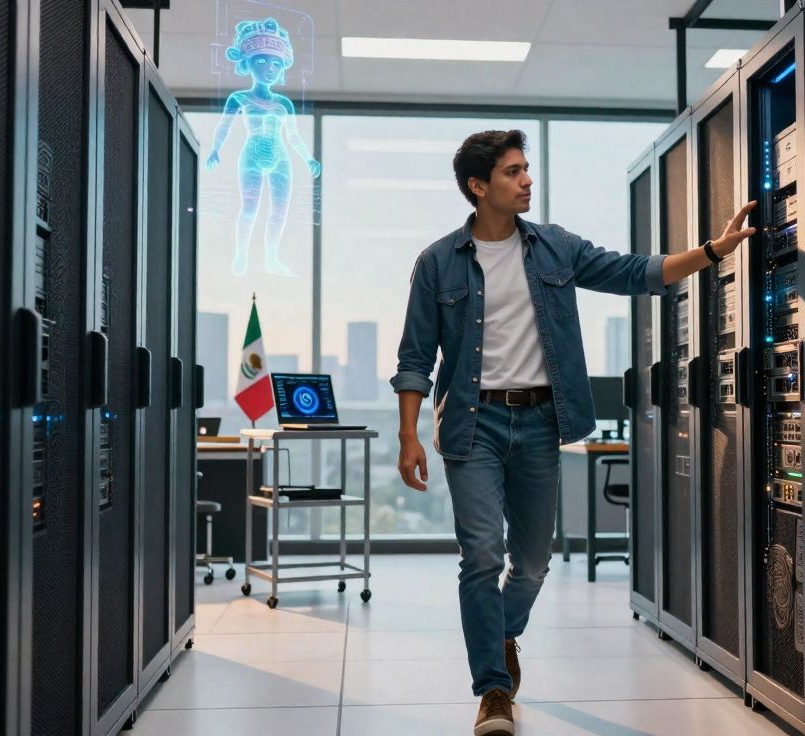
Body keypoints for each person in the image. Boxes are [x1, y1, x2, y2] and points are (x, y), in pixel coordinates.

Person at [389, 129, 755, 736]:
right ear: (479, 187)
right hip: (471, 424)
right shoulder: (436, 262)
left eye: (527, 168)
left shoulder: (555, 246)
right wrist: (407, 435)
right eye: (512, 172)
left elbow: (637, 272)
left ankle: (503, 634)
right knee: (481, 555)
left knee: (531, 562)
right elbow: (414, 357)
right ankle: (493, 691)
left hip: (539, 421)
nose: (527, 179)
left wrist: (714, 251)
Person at [205, 18, 321, 278]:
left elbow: (293, 136)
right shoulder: (239, 98)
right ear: (247, 63)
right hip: (251, 154)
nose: (270, 68)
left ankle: (271, 257)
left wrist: (308, 159)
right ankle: (242, 253)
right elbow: (224, 126)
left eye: (276, 63)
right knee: (250, 208)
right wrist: (215, 149)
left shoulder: (284, 104)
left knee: (279, 211)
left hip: (280, 156)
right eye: (261, 61)